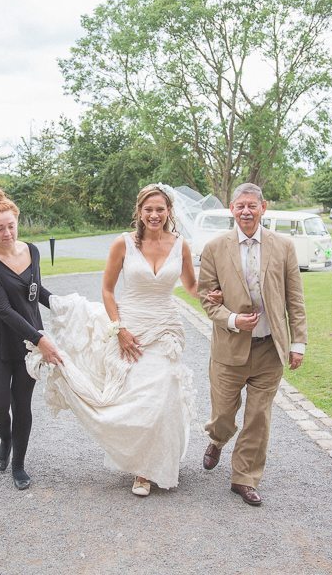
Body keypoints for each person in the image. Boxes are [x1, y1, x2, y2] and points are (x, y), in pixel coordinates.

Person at [25, 184, 221, 497]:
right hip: (131, 327)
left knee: (166, 391)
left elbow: (190, 284)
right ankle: (143, 468)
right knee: (139, 398)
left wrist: (208, 294)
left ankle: (154, 467)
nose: (155, 215)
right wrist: (119, 329)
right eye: (149, 209)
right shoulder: (123, 244)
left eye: (160, 209)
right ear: (139, 212)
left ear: (169, 211)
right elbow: (106, 290)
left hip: (166, 328)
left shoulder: (180, 245)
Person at [197, 183, 307, 506]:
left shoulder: (284, 246)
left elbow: (295, 298)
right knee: (223, 415)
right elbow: (207, 299)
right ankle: (217, 439)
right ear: (232, 209)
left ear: (263, 207)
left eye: (252, 205)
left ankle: (243, 478)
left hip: (268, 350)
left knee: (258, 416)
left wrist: (297, 342)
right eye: (240, 205)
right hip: (229, 351)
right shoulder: (215, 248)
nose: (246, 211)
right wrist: (232, 320)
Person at [0, 185, 63, 490]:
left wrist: (65, 307)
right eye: (0, 228)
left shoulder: (32, 251)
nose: (7, 233)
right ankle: (5, 438)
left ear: (17, 222)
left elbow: (35, 291)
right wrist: (42, 340)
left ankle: (19, 464)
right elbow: (4, 310)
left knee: (21, 405)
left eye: (11, 226)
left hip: (28, 346)